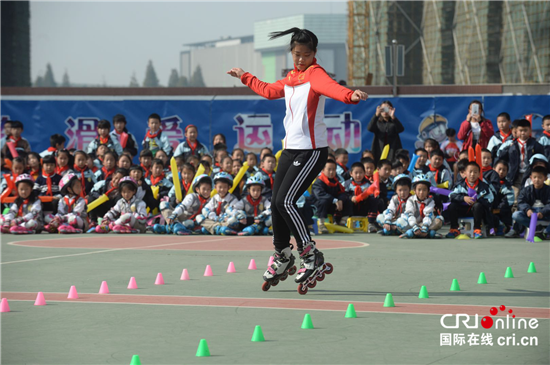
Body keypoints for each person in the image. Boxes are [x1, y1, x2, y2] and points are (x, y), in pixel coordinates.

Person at [228, 27, 368, 288]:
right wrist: (245, 76)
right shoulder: (292, 77)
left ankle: (310, 254)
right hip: (290, 150)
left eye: (305, 54)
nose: (300, 59)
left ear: (314, 54)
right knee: (275, 204)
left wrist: (351, 95)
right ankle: (282, 254)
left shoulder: (315, 75)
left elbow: (333, 88)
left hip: (311, 151)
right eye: (296, 54)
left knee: (286, 200)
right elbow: (269, 90)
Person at [446, 162, 494, 239]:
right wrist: (463, 198)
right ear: (465, 173)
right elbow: (452, 195)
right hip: (462, 210)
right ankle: (454, 229)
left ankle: (477, 230)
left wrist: (478, 200)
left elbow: (490, 200)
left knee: (478, 206)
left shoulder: (484, 187)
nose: (472, 174)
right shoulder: (459, 185)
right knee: (452, 206)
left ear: (479, 174)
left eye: (475, 172)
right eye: (470, 172)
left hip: (476, 211)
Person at [507, 166, 550, 240]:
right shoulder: (526, 190)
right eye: (535, 177)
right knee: (516, 215)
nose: (537, 180)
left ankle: (545, 232)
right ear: (531, 178)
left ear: (545, 178)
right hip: (531, 214)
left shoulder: (548, 190)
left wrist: (542, 212)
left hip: (545, 214)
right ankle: (536, 228)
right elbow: (521, 202)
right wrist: (527, 210)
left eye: (540, 177)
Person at [313, 160, 353, 234]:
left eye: (333, 169)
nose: (331, 172)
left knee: (347, 200)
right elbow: (320, 195)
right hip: (319, 207)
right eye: (329, 169)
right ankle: (321, 224)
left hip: (332, 206)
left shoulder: (336, 182)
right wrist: (334, 200)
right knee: (323, 201)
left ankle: (342, 223)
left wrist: (340, 200)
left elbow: (342, 193)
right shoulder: (318, 182)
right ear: (323, 170)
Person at [399, 174, 444, 239]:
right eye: (419, 190)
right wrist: (415, 226)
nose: (421, 192)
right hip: (412, 224)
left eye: (424, 190)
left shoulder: (430, 201)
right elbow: (409, 214)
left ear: (428, 191)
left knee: (439, 220)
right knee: (400, 221)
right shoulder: (410, 200)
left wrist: (425, 227)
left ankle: (413, 233)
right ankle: (428, 234)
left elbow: (428, 214)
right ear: (414, 190)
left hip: (425, 225)